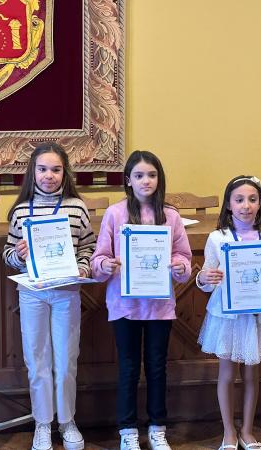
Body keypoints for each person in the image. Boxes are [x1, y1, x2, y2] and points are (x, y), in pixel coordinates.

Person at [90, 150, 192, 450]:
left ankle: (158, 427)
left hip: (159, 306)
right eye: (139, 175)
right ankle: (128, 430)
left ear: (159, 179)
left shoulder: (170, 216)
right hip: (125, 306)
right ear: (128, 180)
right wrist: (105, 265)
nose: (146, 181)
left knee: (157, 367)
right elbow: (98, 259)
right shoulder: (115, 214)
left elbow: (183, 257)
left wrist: (180, 267)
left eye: (151, 175)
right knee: (129, 368)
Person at [3, 142, 96, 450]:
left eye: (56, 169)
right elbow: (8, 253)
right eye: (42, 169)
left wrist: (83, 266)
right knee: (37, 361)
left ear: (65, 173)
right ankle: (42, 423)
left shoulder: (77, 207)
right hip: (32, 294)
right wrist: (17, 254)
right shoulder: (20, 210)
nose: (49, 175)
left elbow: (89, 247)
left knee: (66, 361)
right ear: (33, 172)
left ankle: (67, 421)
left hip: (66, 292)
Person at [197, 175, 261, 450]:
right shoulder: (218, 238)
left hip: (258, 316)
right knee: (227, 374)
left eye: (252, 199)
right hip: (228, 317)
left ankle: (247, 431)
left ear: (260, 203)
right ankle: (228, 431)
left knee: (252, 375)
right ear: (228, 204)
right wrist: (205, 277)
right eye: (239, 200)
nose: (246, 205)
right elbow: (206, 279)